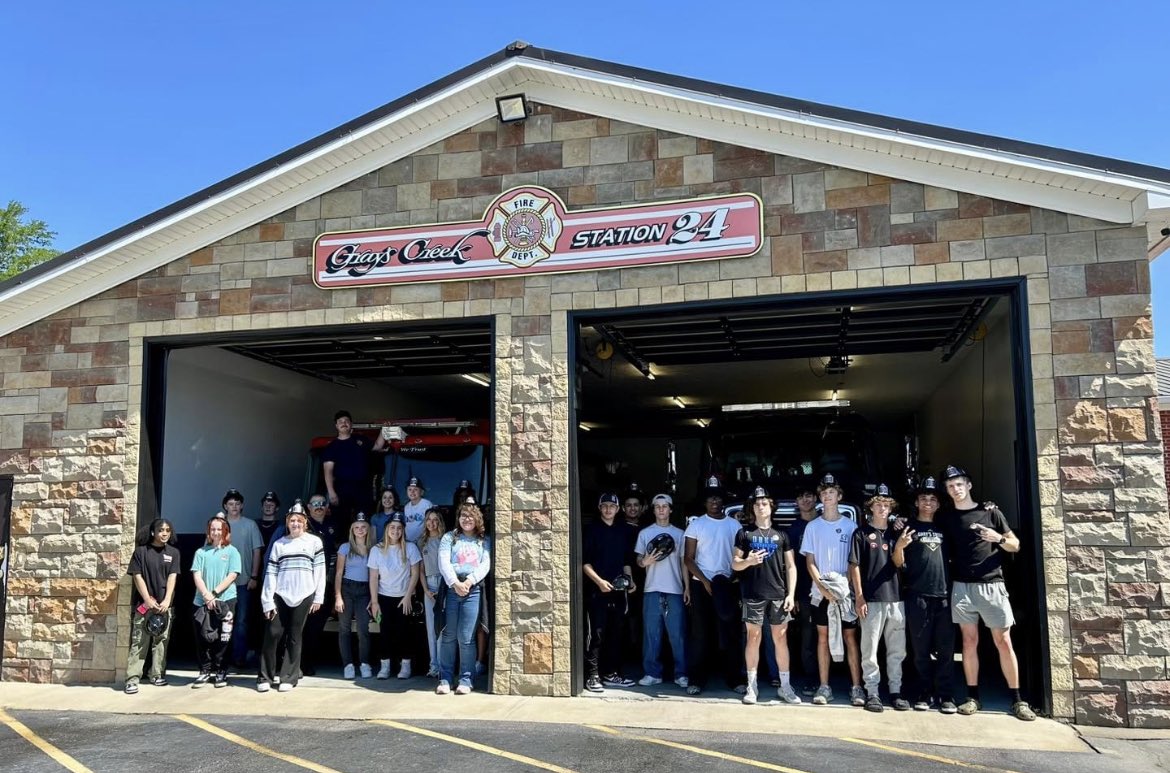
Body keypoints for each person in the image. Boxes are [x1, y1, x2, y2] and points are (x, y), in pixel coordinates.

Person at [941, 465, 1035, 721]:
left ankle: (1018, 700)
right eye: (950, 486)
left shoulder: (991, 512)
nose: (955, 489)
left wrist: (999, 539)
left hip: (992, 585)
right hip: (961, 586)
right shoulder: (947, 517)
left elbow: (1015, 545)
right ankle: (973, 697)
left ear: (968, 485)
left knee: (1003, 641)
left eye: (959, 484)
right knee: (969, 643)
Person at [892, 476, 957, 714]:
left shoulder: (946, 527)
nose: (928, 502)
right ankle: (924, 692)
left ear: (939, 504)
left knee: (946, 649)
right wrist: (899, 546)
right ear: (917, 503)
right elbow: (897, 562)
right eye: (923, 498)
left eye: (932, 499)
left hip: (944, 596)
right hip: (917, 595)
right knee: (920, 650)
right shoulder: (907, 527)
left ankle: (946, 695)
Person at [732, 486, 801, 705]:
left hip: (778, 594)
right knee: (753, 638)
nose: (761, 506)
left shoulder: (782, 534)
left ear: (771, 507)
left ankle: (785, 686)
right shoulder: (744, 533)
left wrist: (791, 594)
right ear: (752, 508)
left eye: (764, 503)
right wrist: (748, 561)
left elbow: (791, 566)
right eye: (757, 504)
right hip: (752, 594)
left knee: (780, 639)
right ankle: (752, 687)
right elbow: (735, 564)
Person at [801, 473, 863, 706]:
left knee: (850, 637)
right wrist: (822, 588)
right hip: (821, 593)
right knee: (823, 637)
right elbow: (810, 561)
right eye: (824, 493)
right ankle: (824, 686)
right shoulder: (813, 527)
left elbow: (854, 561)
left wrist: (844, 589)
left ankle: (857, 687)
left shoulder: (851, 526)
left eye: (831, 492)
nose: (827, 496)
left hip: (845, 592)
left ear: (839, 496)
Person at [848, 483, 908, 712]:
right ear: (870, 507)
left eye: (886, 504)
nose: (882, 508)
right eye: (878, 504)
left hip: (896, 598)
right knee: (869, 649)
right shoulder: (860, 533)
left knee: (897, 650)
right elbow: (854, 566)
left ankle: (896, 691)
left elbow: (900, 564)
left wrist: (900, 545)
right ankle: (872, 692)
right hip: (871, 599)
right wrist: (859, 597)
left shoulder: (898, 532)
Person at [682, 482, 743, 696]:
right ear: (705, 502)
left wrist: (733, 579)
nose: (714, 502)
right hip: (702, 586)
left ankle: (735, 679)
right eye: (710, 498)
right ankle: (696, 679)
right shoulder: (696, 525)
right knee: (700, 634)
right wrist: (705, 581)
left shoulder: (734, 526)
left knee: (730, 634)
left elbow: (741, 556)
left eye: (718, 498)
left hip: (726, 585)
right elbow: (688, 559)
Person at [259, 503, 326, 693]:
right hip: (280, 594)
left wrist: (318, 597)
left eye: (298, 520)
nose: (295, 523)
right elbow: (271, 572)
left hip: (305, 594)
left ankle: (289, 677)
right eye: (292, 520)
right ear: (287, 523)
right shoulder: (279, 544)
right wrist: (267, 600)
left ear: (305, 522)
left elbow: (320, 571)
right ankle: (265, 676)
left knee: (295, 637)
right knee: (272, 633)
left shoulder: (314, 542)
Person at [582, 492, 637, 692]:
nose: (608, 509)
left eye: (611, 506)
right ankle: (592, 675)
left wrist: (630, 581)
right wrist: (599, 582)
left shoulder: (623, 531)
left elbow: (626, 561)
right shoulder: (591, 530)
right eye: (604, 506)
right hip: (597, 591)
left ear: (617, 509)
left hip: (618, 591)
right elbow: (584, 563)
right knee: (596, 634)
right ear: (599, 508)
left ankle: (611, 673)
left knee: (616, 634)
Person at [437, 501, 492, 694]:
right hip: (452, 589)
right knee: (449, 634)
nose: (466, 519)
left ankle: (466, 680)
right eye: (463, 516)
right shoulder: (449, 538)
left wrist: (469, 581)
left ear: (477, 519)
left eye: (470, 516)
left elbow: (485, 564)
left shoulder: (483, 540)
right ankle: (445, 678)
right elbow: (444, 562)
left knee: (466, 637)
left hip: (473, 590)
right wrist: (455, 583)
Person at [634, 493, 688, 689]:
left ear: (671, 509)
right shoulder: (645, 533)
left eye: (665, 506)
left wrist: (686, 587)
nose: (661, 510)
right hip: (652, 588)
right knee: (651, 634)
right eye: (657, 507)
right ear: (653, 509)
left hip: (674, 589)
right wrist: (644, 562)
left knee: (677, 634)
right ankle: (652, 673)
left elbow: (684, 563)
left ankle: (681, 674)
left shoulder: (680, 534)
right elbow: (638, 560)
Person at [125, 518, 180, 694]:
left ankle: (156, 674)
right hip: (145, 605)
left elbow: (173, 577)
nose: (164, 533)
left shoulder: (174, 553)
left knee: (161, 641)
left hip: (164, 607)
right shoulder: (140, 552)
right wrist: (147, 600)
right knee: (139, 641)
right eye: (161, 530)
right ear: (153, 532)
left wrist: (167, 601)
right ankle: (132, 679)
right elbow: (137, 576)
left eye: (168, 530)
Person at [368, 514, 421, 680]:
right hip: (384, 597)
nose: (395, 531)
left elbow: (415, 573)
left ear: (403, 530)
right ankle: (385, 666)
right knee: (384, 633)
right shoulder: (377, 550)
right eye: (392, 527)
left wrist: (407, 597)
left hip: (403, 597)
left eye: (399, 528)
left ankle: (405, 666)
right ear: (386, 529)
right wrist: (375, 602)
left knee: (404, 632)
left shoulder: (410, 548)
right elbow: (373, 577)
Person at [191, 516, 242, 688]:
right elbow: (196, 574)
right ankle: (204, 671)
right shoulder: (201, 552)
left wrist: (214, 593)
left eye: (219, 529)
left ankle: (221, 671)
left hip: (226, 600)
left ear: (225, 531)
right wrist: (206, 595)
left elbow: (233, 575)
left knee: (224, 637)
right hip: (202, 601)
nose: (216, 532)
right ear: (208, 531)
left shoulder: (232, 552)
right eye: (213, 529)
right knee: (202, 637)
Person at [220, 489, 264, 669]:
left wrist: (254, 576)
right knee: (222, 620)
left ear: (242, 505)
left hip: (244, 582)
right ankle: (221, 657)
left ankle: (239, 656)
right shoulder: (219, 525)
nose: (234, 507)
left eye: (237, 504)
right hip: (222, 585)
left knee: (242, 621)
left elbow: (257, 551)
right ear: (225, 506)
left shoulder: (250, 525)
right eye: (231, 504)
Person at [321, 409, 387, 526]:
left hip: (363, 489)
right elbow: (328, 471)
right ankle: (342, 544)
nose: (344, 423)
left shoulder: (360, 440)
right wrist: (331, 493)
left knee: (363, 521)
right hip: (342, 490)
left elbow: (377, 446)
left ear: (351, 424)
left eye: (346, 421)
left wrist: (384, 429)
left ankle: (362, 545)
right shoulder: (331, 447)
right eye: (340, 421)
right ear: (336, 425)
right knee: (341, 523)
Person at [786, 480, 820, 696]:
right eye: (801, 497)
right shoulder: (793, 530)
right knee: (808, 637)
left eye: (809, 495)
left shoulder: (826, 523)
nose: (806, 500)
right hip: (806, 592)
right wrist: (795, 594)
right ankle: (811, 678)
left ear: (815, 498)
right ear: (796, 503)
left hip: (833, 590)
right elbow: (793, 565)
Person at [335, 513, 374, 680]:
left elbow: (375, 575)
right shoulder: (345, 547)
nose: (360, 530)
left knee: (363, 628)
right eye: (357, 527)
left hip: (365, 590)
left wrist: (374, 598)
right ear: (352, 529)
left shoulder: (373, 548)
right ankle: (348, 664)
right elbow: (338, 573)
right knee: (344, 628)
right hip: (347, 588)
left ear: (368, 529)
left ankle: (364, 663)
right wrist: (338, 596)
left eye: (363, 527)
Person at [419, 508, 446, 679]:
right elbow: (420, 570)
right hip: (429, 584)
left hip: (443, 584)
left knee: (442, 628)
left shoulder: (446, 540)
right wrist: (426, 591)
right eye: (429, 519)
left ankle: (443, 666)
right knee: (430, 628)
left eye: (435, 519)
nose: (432, 523)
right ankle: (433, 665)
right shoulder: (422, 542)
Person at [403, 476, 433, 545]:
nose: (412, 492)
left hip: (423, 541)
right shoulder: (406, 507)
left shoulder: (427, 504)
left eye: (415, 489)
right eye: (409, 489)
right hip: (408, 541)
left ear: (421, 492)